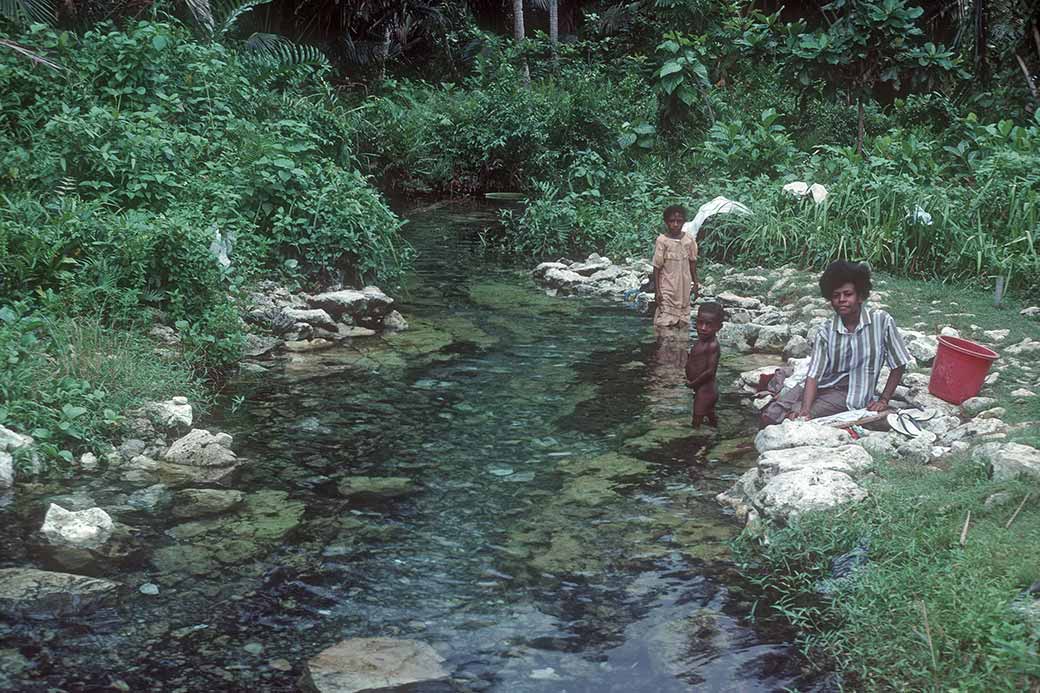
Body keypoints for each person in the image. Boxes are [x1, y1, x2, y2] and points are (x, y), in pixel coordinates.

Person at [761, 260, 913, 425]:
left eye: (848, 294)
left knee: (794, 416)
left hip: (848, 394)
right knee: (771, 413)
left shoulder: (881, 321)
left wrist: (883, 400)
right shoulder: (826, 331)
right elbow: (813, 375)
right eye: (836, 295)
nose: (841, 300)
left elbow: (899, 363)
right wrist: (806, 406)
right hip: (821, 385)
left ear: (860, 296)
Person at [652, 205, 698, 328]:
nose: (675, 224)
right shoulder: (662, 241)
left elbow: (692, 262)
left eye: (679, 221)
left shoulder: (689, 240)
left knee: (682, 322)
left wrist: (696, 284)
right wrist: (657, 292)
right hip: (667, 287)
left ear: (683, 222)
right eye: (672, 221)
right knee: (664, 322)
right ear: (666, 222)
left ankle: (680, 345)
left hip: (684, 287)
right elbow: (657, 267)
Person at [686, 302, 723, 427]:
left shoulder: (712, 345)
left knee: (696, 421)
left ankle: (696, 442)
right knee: (709, 413)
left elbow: (710, 371)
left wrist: (693, 383)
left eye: (709, 324)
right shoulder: (700, 340)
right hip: (700, 389)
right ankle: (717, 430)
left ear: (719, 327)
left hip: (706, 390)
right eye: (700, 322)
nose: (703, 328)